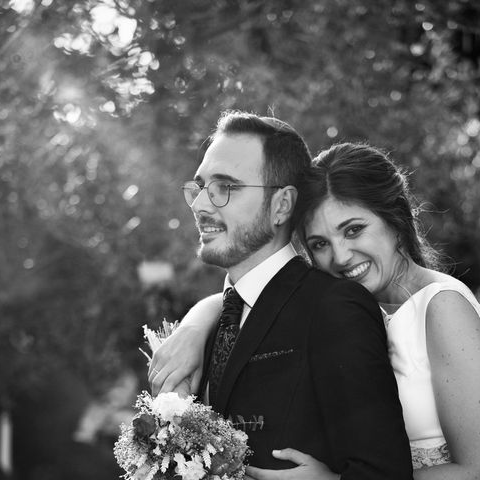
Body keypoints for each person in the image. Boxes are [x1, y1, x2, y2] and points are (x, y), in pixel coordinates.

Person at [151, 141, 480, 479]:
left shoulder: (442, 308)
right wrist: (197, 323)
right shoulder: (346, 313)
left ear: (395, 218)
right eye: (320, 244)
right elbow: (251, 297)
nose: (340, 256)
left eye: (353, 230)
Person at [157, 111, 414, 479]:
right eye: (199, 187)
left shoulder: (334, 308)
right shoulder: (207, 326)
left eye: (225, 187)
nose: (200, 205)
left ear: (281, 205)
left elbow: (385, 472)